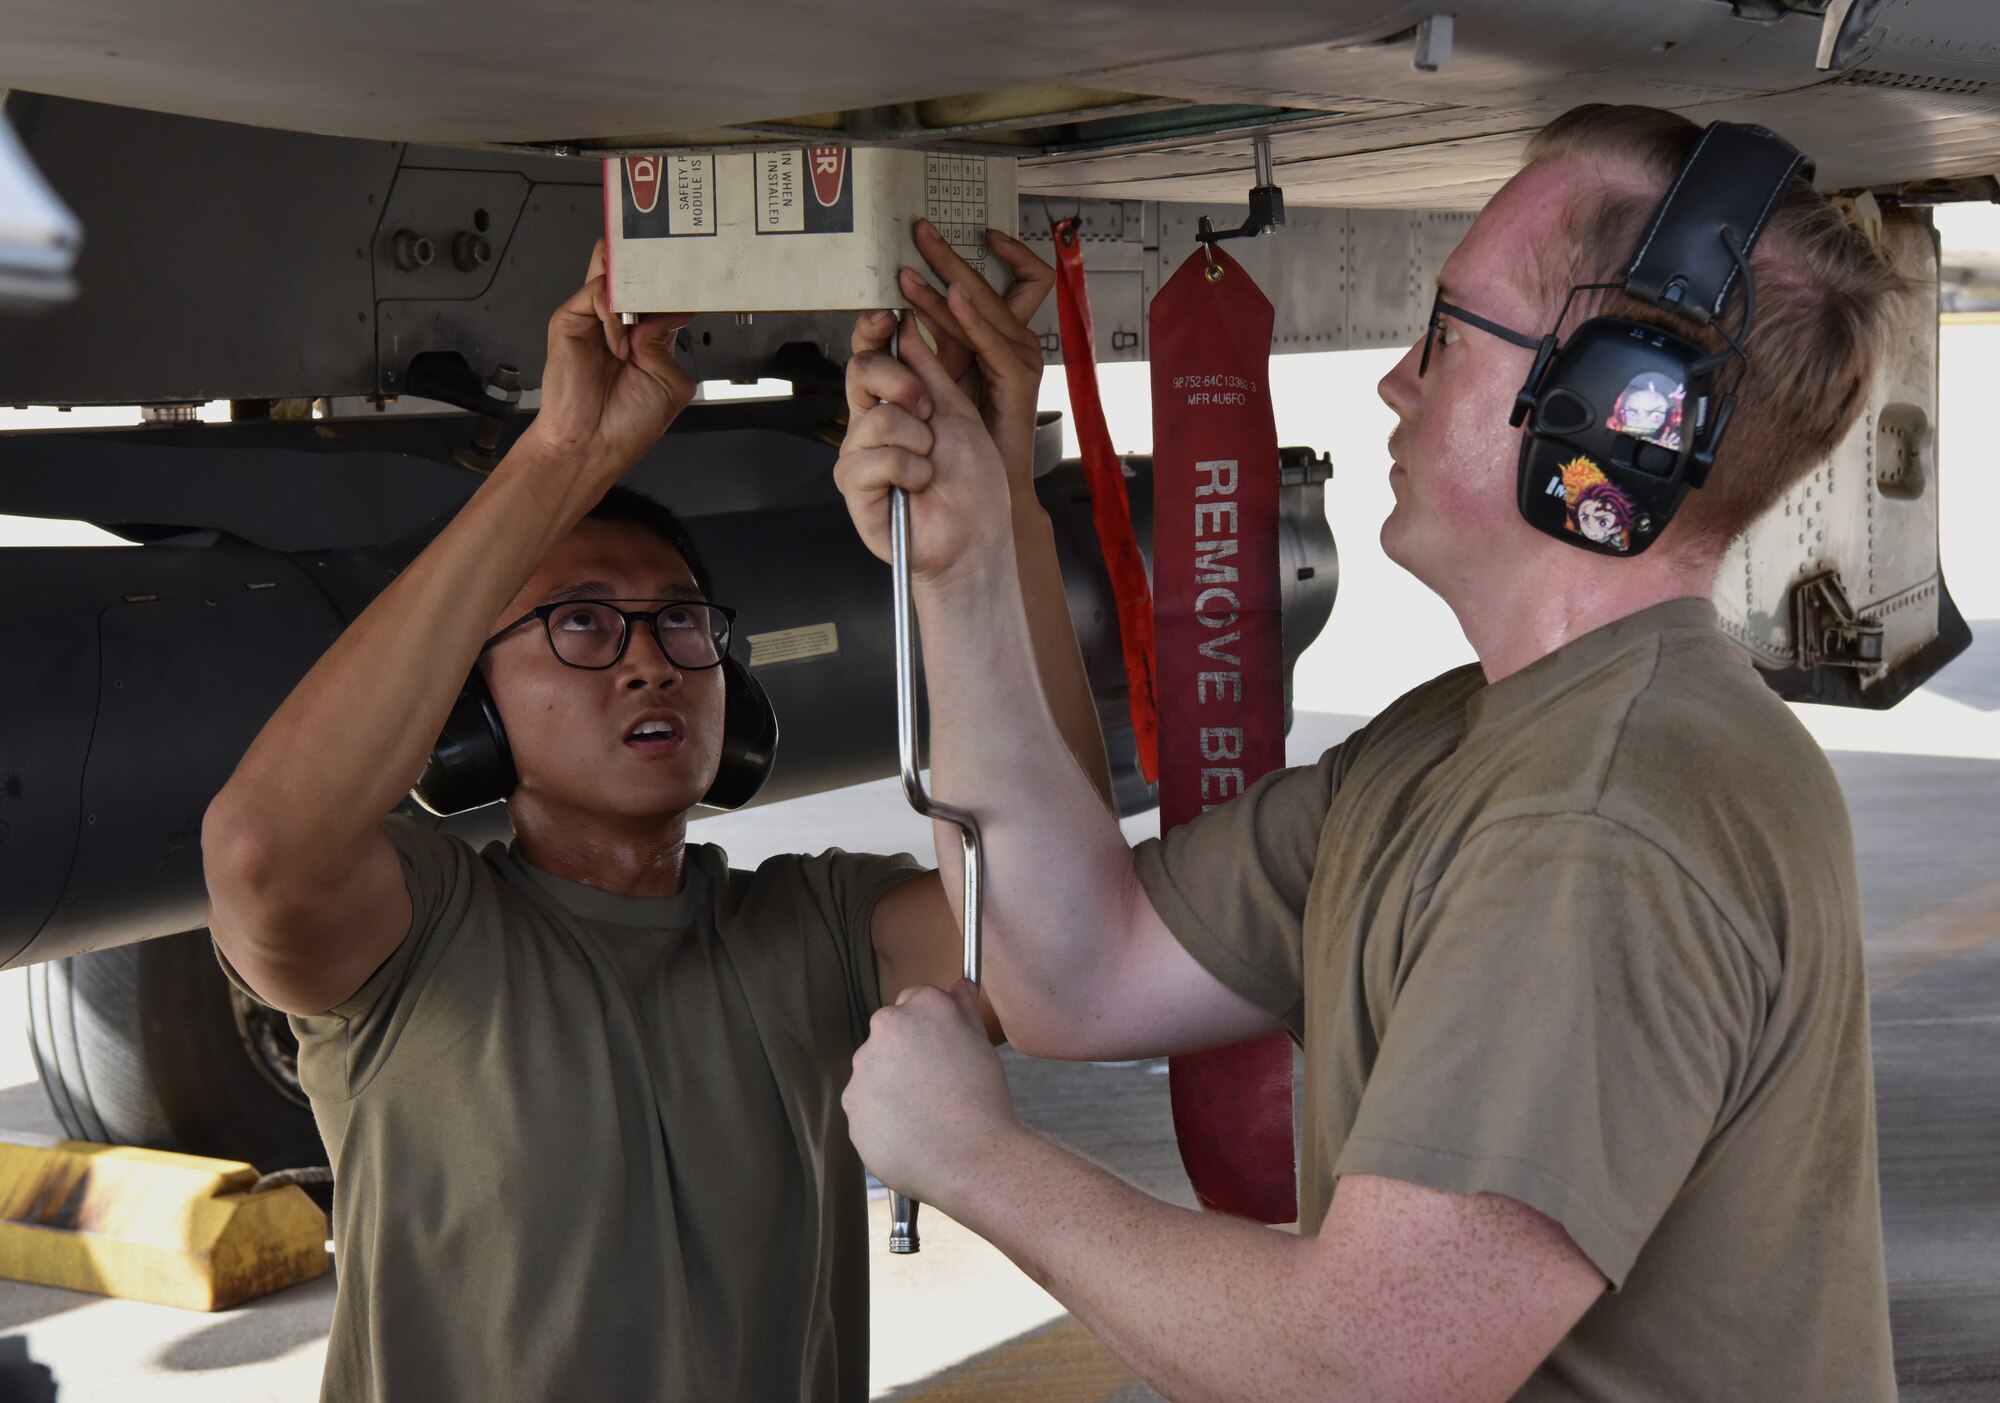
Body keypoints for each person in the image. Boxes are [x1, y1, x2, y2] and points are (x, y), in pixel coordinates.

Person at [834, 104, 1905, 1401]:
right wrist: (958, 558)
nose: (1400, 376)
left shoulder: (1598, 821)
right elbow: (1070, 970)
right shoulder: (1477, 739)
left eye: (1450, 333)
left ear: (1615, 414)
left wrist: (979, 1162)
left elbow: (1366, 1369)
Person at [200, 219, 1111, 1402]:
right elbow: (262, 853)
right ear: (471, 705)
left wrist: (996, 519)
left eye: (679, 620)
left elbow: (1058, 923)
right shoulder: (415, 940)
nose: (649, 662)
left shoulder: (815, 930)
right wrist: (562, 450)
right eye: (580, 623)